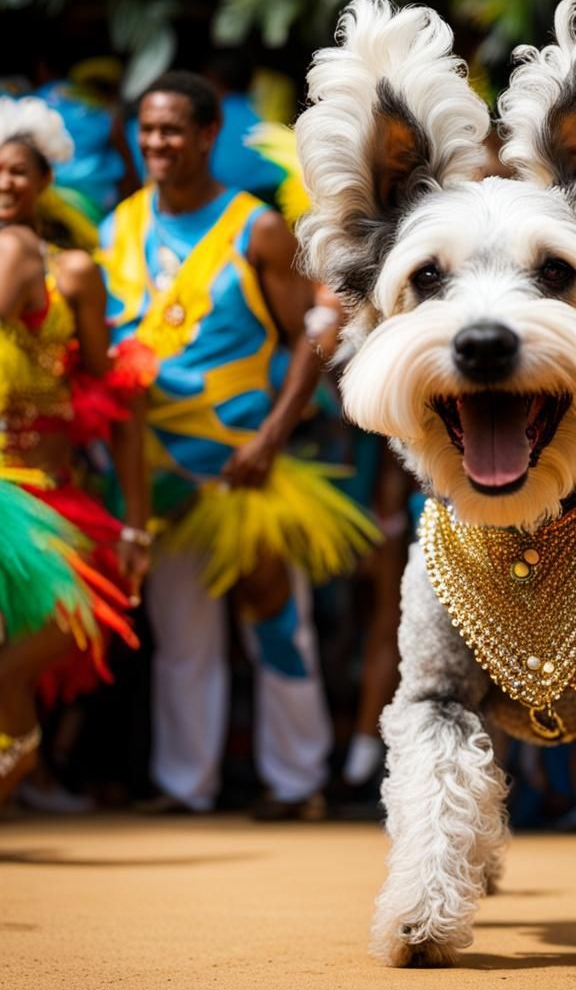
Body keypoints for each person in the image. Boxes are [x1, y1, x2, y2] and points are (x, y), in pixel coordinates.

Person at [99, 72, 378, 819]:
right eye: (146, 130)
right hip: (152, 470)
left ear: (206, 135)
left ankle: (296, 783)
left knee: (274, 617)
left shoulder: (256, 228)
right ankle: (185, 786)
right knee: (181, 636)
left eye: (171, 131)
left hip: (244, 465)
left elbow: (309, 341)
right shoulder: (116, 227)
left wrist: (270, 438)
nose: (156, 143)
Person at [0, 98, 149, 805]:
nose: (4, 181)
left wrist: (135, 523)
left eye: (17, 170)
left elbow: (116, 396)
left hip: (49, 504)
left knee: (17, 666)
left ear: (44, 180)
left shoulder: (76, 274)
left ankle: (22, 763)